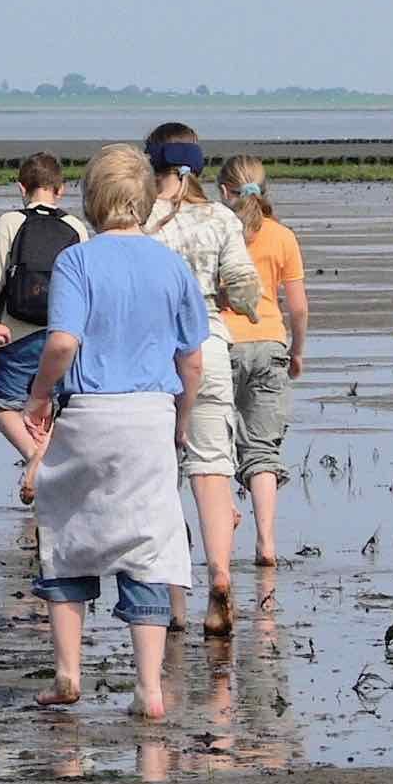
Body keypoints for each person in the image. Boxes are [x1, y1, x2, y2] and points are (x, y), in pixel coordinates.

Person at [24, 144, 206, 719]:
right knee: (149, 544)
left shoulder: (77, 262)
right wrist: (182, 418)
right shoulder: (171, 265)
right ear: (146, 200)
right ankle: (150, 689)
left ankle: (68, 673)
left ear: (92, 199)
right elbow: (192, 360)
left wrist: (37, 394)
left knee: (65, 534)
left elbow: (61, 342)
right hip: (151, 412)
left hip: (88, 411)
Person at [144, 122, 261, 637]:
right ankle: (219, 575)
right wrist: (242, 304)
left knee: (162, 477)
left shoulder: (142, 222)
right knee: (212, 470)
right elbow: (243, 286)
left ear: (153, 165)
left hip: (152, 355)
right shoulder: (220, 218)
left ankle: (174, 602)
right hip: (210, 346)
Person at [0, 152, 90, 503]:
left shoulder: (9, 221)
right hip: (62, 331)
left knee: (5, 407)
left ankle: (35, 457)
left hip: (16, 329)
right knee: (54, 405)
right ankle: (46, 463)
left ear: (20, 187)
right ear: (62, 189)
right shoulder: (75, 227)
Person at [215, 155, 309, 566]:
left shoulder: (218, 233)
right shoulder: (282, 236)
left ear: (223, 192)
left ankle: (222, 528)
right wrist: (297, 351)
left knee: (214, 445)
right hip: (271, 344)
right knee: (263, 452)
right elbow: (299, 307)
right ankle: (266, 540)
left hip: (223, 345)